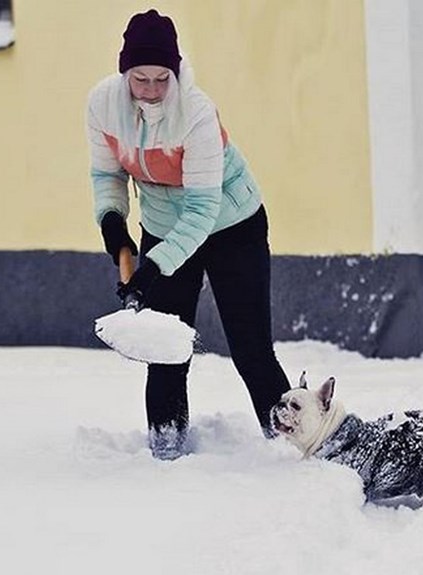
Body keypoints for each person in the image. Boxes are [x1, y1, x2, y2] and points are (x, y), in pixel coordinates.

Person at [86, 9, 291, 459]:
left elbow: (202, 209)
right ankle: (166, 450)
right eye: (142, 79)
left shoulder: (195, 111)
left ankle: (292, 453)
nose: (153, 90)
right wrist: (113, 223)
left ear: (176, 73)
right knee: (166, 349)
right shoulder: (102, 105)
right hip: (162, 225)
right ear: (125, 74)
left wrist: (152, 268)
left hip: (230, 224)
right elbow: (107, 176)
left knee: (251, 349)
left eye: (163, 78)